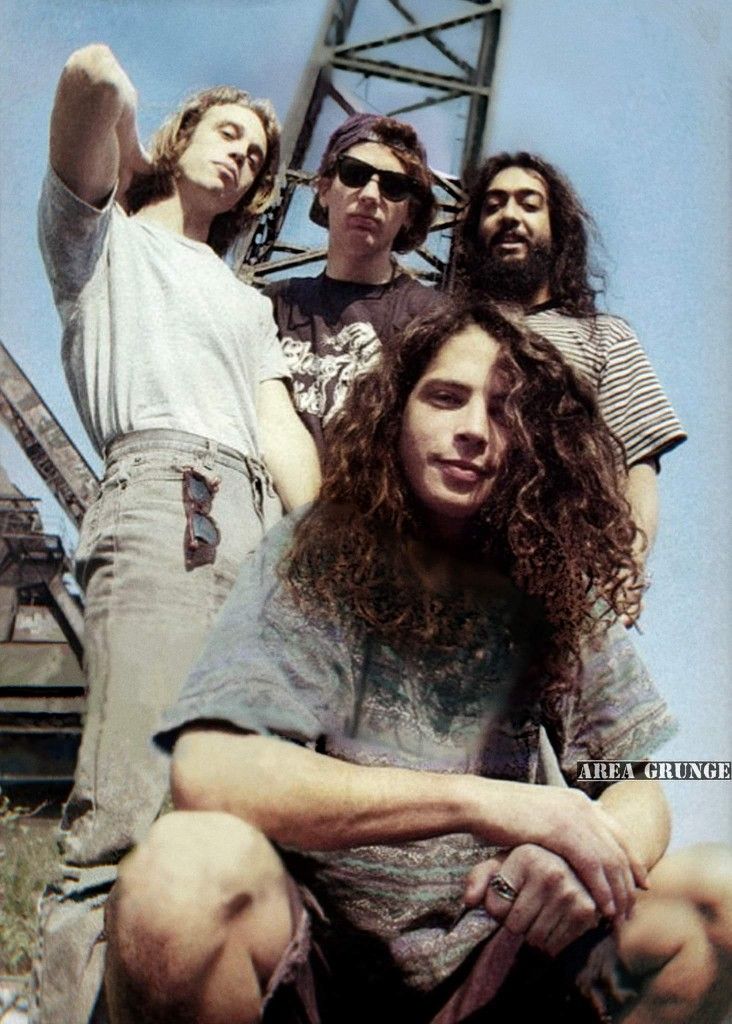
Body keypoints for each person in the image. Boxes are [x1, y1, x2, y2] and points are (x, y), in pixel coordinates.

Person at [104, 299, 731, 1024]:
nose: (472, 431)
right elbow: (211, 769)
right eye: (445, 397)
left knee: (713, 903)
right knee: (180, 877)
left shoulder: (553, 578)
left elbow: (637, 786)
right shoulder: (316, 557)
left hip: (500, 946)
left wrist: (582, 854)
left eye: (503, 412)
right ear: (396, 413)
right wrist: (488, 802)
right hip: (324, 964)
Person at [32, 44, 320, 1024]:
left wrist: (318, 551)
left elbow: (279, 430)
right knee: (125, 813)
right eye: (229, 132)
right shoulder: (98, 240)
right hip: (165, 500)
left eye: (260, 152)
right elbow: (94, 73)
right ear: (182, 133)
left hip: (260, 536)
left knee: (229, 824)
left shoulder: (248, 300)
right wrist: (141, 143)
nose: (245, 154)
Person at [454, 151, 686, 561]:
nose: (509, 215)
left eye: (529, 204)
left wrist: (626, 570)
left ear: (557, 230)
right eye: (493, 206)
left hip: (560, 579)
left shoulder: (605, 336)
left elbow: (636, 468)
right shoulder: (445, 333)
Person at [264, 111, 441, 451]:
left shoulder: (433, 319)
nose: (371, 195)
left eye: (394, 186)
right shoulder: (273, 306)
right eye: (355, 174)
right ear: (324, 189)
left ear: (409, 214)